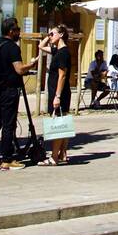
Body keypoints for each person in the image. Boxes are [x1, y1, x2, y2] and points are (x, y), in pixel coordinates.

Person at [0, 17, 39, 169]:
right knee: (9, 125)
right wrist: (31, 64)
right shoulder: (12, 47)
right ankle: (6, 159)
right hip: (9, 91)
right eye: (17, 30)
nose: (19, 32)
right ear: (11, 31)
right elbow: (19, 69)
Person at [42, 24, 73, 163]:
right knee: (63, 123)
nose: (50, 36)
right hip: (58, 92)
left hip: (59, 93)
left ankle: (54, 157)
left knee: (58, 124)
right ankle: (63, 154)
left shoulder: (63, 53)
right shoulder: (57, 51)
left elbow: (62, 75)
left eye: (53, 34)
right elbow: (40, 47)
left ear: (61, 35)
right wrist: (47, 36)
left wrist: (57, 96)